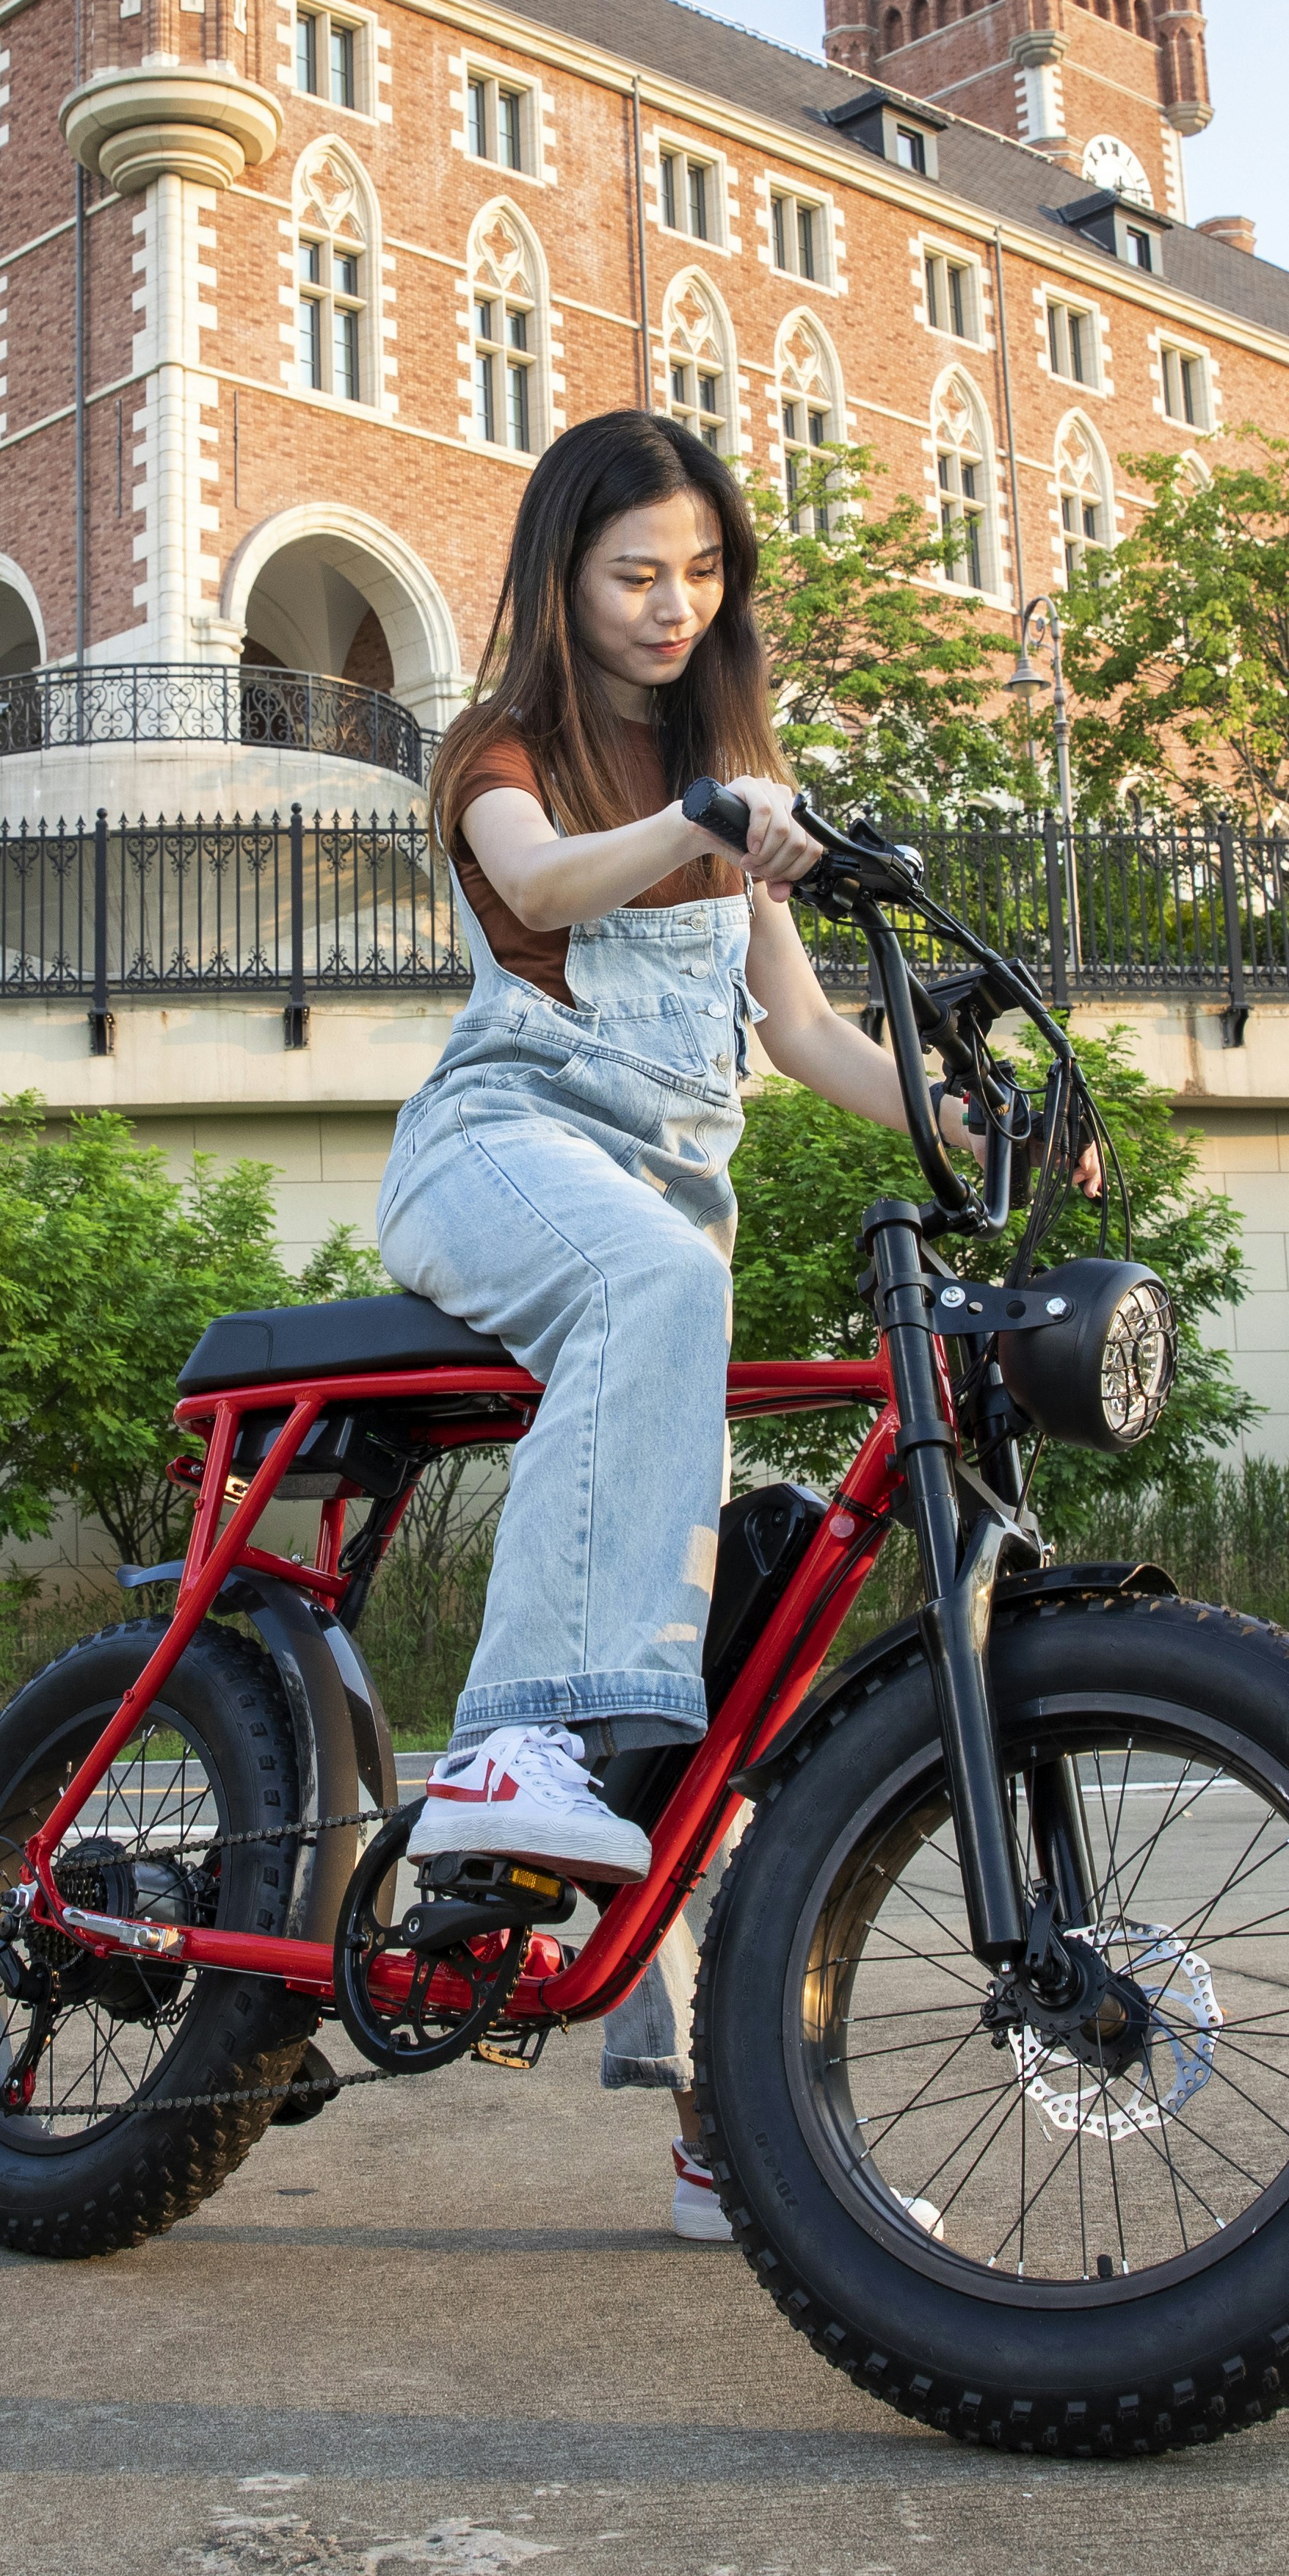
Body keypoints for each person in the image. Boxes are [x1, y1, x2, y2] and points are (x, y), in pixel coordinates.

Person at [372, 411, 1034, 2242]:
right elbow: (541, 881)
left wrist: (973, 1118)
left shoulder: (737, 772)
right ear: (564, 580)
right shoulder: (504, 752)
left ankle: (705, 2111)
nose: (675, 606)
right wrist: (696, 818)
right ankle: (505, 1756)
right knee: (667, 1288)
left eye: (703, 573)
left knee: (707, 1661)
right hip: (497, 1159)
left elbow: (810, 1039)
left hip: (656, 1231)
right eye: (635, 573)